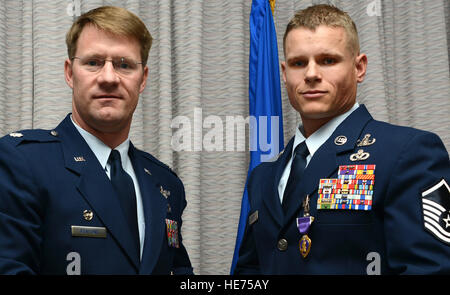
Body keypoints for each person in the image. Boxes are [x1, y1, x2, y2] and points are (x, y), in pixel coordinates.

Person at [235, 4, 450, 274]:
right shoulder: (263, 177)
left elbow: (429, 270)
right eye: (298, 63)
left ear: (359, 68)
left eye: (328, 60)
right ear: (284, 72)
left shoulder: (406, 154)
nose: (311, 74)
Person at [0, 6, 193, 275]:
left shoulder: (165, 183)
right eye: (93, 63)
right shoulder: (22, 162)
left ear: (143, 79)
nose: (109, 77)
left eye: (124, 65)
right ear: (70, 73)